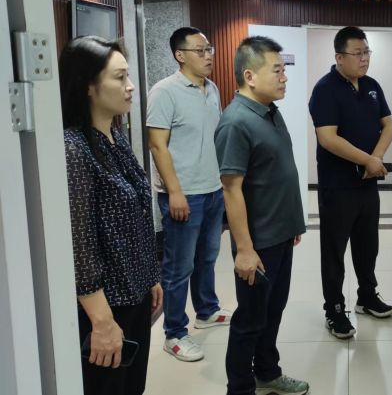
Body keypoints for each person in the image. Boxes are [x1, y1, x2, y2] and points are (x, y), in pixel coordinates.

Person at [61, 36, 162, 395]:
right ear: (88, 86)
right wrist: (101, 321)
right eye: (120, 78)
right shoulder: (74, 148)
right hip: (106, 306)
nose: (130, 86)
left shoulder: (115, 137)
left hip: (135, 295)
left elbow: (136, 217)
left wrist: (150, 276)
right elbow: (79, 244)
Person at [215, 36, 309, 395]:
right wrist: (244, 250)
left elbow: (275, 173)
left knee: (272, 312)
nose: (284, 77)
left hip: (279, 234)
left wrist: (291, 223)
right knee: (250, 320)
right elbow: (231, 189)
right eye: (277, 70)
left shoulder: (270, 111)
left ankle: (267, 372)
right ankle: (240, 388)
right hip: (257, 244)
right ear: (250, 76)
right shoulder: (235, 122)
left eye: (284, 70)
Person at [308, 26, 392, 339]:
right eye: (358, 53)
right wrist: (367, 160)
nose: (364, 59)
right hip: (338, 187)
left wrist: (377, 158)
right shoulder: (325, 89)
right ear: (339, 57)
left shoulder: (372, 86)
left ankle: (367, 297)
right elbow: (328, 138)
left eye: (367, 52)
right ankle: (334, 309)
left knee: (367, 246)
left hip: (367, 185)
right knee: (334, 252)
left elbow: (389, 125)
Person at [147, 27, 230, 362]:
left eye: (209, 49)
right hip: (183, 195)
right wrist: (175, 192)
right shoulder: (164, 91)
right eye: (200, 50)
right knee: (178, 267)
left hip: (212, 189)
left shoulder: (212, 88)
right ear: (180, 55)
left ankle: (206, 310)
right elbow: (157, 145)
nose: (208, 56)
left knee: (207, 257)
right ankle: (174, 333)